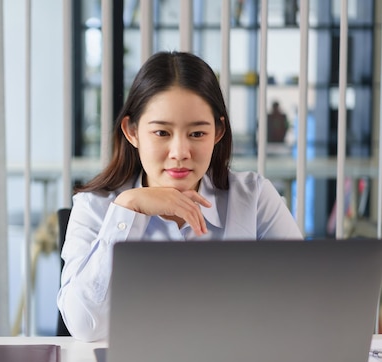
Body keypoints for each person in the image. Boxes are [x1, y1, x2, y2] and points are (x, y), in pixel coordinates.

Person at [57, 51, 303, 342]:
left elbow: (302, 304)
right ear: (132, 131)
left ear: (218, 132)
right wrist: (127, 210)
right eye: (162, 132)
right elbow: (84, 326)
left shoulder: (254, 197)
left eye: (197, 134)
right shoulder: (95, 206)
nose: (180, 153)